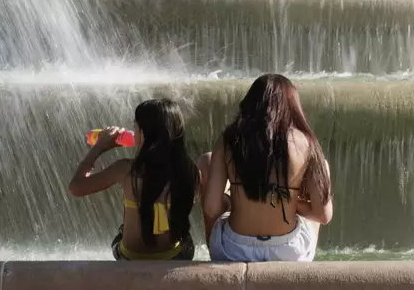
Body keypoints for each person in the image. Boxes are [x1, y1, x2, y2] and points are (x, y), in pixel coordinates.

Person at [199, 73, 333, 262]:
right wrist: (289, 201)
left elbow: (212, 208)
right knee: (323, 167)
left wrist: (232, 202)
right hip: (290, 254)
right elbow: (323, 215)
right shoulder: (306, 143)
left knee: (208, 160)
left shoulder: (229, 139)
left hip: (233, 250)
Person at [68, 99, 200, 261]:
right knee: (185, 237)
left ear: (143, 134)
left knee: (122, 230)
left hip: (131, 257)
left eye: (135, 127)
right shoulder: (190, 170)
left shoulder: (125, 170)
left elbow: (76, 187)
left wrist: (99, 147)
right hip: (172, 256)